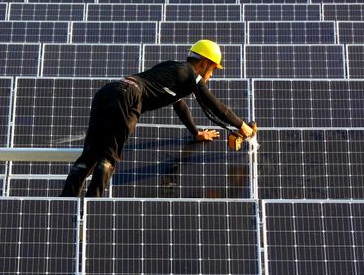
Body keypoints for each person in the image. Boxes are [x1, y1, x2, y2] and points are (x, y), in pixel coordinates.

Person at [60, 40, 255, 198]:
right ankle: (93, 206)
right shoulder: (190, 73)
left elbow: (179, 104)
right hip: (129, 96)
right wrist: (241, 125)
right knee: (109, 157)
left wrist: (196, 133)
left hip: (107, 92)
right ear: (204, 63)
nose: (211, 76)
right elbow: (212, 103)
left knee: (89, 155)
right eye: (212, 70)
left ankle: (66, 202)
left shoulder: (173, 69)